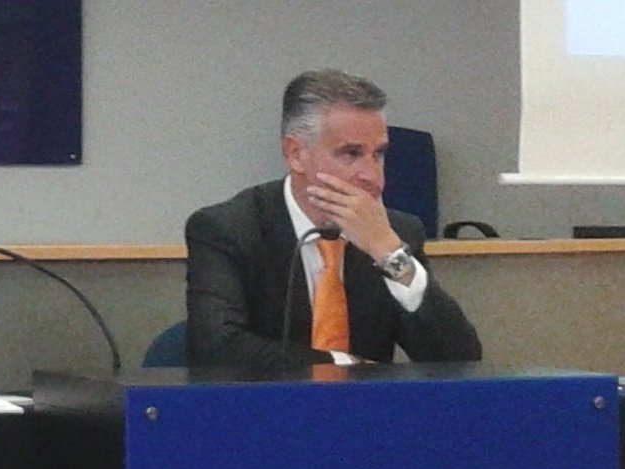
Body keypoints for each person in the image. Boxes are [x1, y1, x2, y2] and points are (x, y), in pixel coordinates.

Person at [184, 69, 481, 370]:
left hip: (367, 402)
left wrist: (391, 255)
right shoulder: (227, 229)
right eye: (351, 154)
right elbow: (217, 348)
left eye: (378, 154)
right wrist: (340, 364)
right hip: (268, 400)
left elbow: (459, 361)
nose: (372, 176)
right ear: (295, 154)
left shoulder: (395, 232)